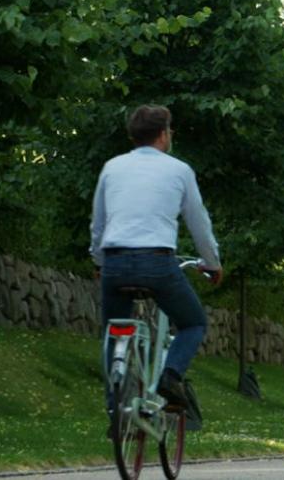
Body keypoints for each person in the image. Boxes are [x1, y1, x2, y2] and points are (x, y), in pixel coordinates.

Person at [90, 105, 223, 427]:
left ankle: (116, 415)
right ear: (164, 134)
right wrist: (212, 262)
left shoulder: (111, 168)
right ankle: (170, 375)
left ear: (132, 135)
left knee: (113, 331)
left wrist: (98, 261)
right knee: (192, 323)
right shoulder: (179, 170)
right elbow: (199, 224)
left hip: (116, 261)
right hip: (157, 263)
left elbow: (98, 222)